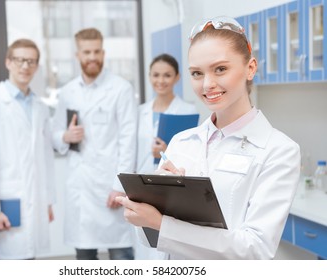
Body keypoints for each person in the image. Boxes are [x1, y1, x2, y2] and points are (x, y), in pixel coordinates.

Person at [116, 16, 301, 259]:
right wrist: (150, 205)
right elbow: (150, 238)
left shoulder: (279, 150)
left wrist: (163, 223)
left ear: (250, 68)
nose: (207, 84)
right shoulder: (181, 142)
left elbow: (256, 249)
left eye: (221, 69)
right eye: (196, 73)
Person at [52, 28, 137, 260]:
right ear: (77, 54)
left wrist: (120, 185)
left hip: (109, 185)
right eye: (87, 52)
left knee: (121, 256)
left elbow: (128, 140)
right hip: (80, 188)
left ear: (103, 52)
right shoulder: (68, 91)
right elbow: (55, 133)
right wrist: (65, 136)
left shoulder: (121, 89)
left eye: (97, 51)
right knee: (84, 258)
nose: (92, 57)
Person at [0, 39, 56, 260]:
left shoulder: (40, 107)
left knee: (29, 261)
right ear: (8, 62)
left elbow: (45, 158)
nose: (25, 66)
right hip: (4, 205)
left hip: (34, 201)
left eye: (31, 61)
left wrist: (46, 201)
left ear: (37, 66)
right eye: (19, 60)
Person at [135, 53, 197, 259]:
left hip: (169, 187)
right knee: (143, 245)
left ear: (177, 77)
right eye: (156, 75)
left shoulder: (188, 111)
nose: (160, 81)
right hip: (142, 182)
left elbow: (193, 154)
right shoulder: (139, 111)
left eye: (167, 75)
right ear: (149, 76)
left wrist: (168, 149)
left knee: (165, 246)